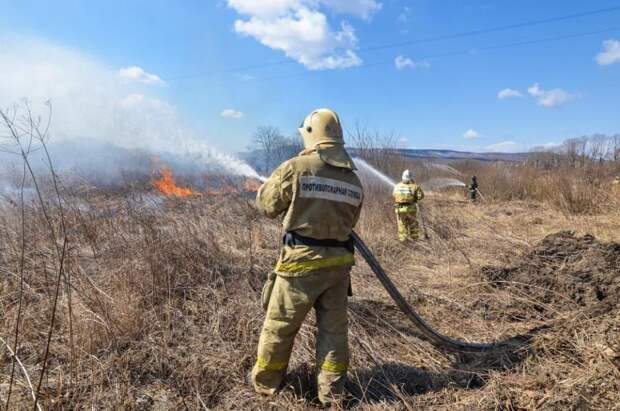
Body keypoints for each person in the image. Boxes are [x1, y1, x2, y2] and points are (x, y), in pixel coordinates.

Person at [251, 108, 363, 406]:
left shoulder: (296, 167)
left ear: (311, 134)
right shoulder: (354, 181)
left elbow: (267, 206)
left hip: (300, 266)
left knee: (280, 327)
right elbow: (350, 223)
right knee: (334, 333)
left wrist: (268, 187)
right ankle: (332, 395)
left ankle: (267, 386)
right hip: (338, 268)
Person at [392, 170, 424, 242]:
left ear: (402, 177)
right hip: (411, 209)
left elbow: (394, 195)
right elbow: (421, 196)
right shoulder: (415, 186)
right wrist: (414, 197)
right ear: (411, 178)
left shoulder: (397, 186)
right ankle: (415, 241)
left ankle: (403, 242)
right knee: (413, 225)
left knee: (402, 226)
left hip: (400, 210)